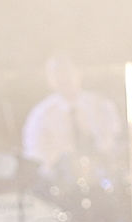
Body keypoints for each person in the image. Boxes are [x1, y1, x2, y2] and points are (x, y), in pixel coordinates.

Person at [22, 55, 123, 190]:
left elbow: (115, 143)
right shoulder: (40, 115)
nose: (63, 78)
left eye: (67, 71)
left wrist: (95, 162)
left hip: (101, 184)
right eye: (57, 74)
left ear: (78, 73)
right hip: (58, 189)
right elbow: (35, 157)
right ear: (49, 80)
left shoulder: (102, 106)